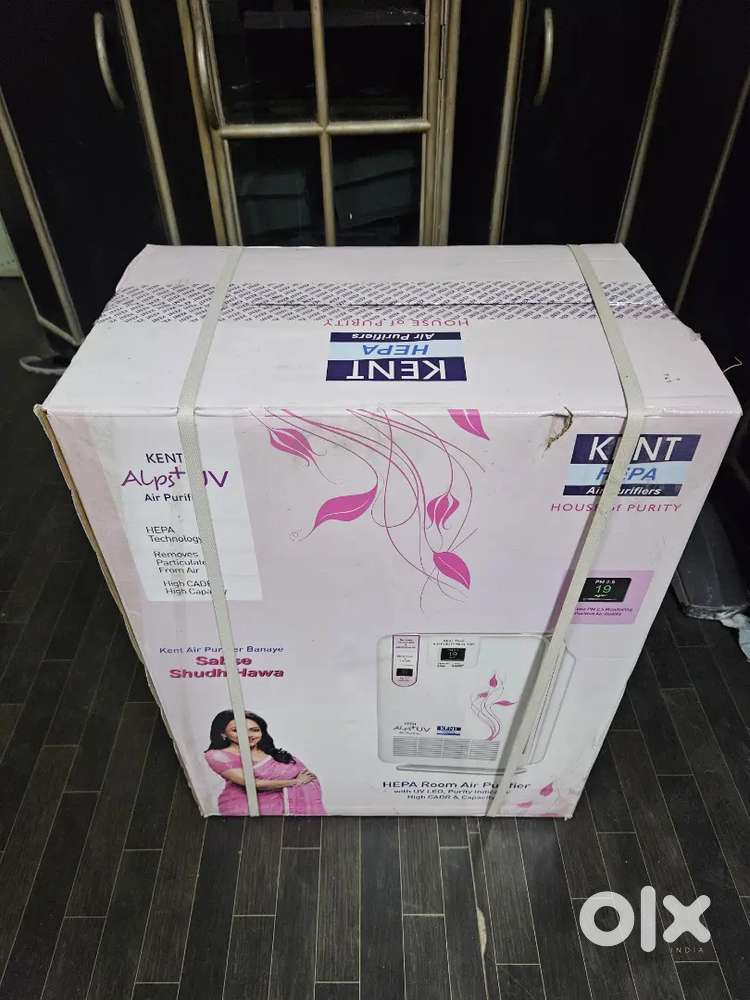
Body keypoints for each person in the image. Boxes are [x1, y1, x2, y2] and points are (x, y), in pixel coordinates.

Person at [204, 710, 325, 816]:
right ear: (223, 733)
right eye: (237, 730)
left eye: (255, 730)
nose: (248, 735)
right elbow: (251, 783)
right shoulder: (218, 755)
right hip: (244, 806)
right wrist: (296, 782)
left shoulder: (271, 752)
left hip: (283, 805)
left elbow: (305, 774)